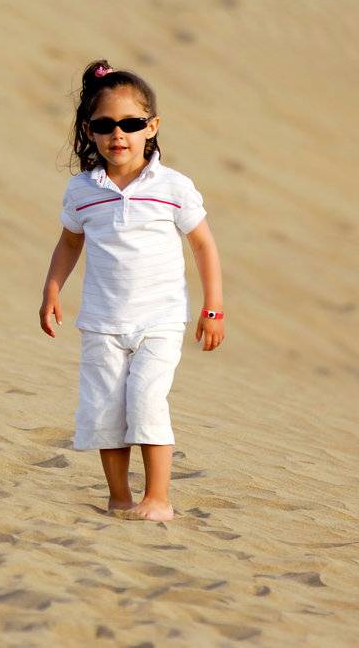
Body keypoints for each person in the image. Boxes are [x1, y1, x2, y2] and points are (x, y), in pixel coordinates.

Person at [38, 59, 226, 522]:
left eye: (131, 123)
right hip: (102, 322)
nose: (117, 134)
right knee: (104, 412)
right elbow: (68, 243)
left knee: (146, 401)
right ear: (89, 130)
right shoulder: (83, 190)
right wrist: (51, 291)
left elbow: (203, 245)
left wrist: (213, 309)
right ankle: (119, 497)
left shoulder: (172, 186)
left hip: (159, 321)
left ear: (151, 127)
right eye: (104, 125)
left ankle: (158, 498)